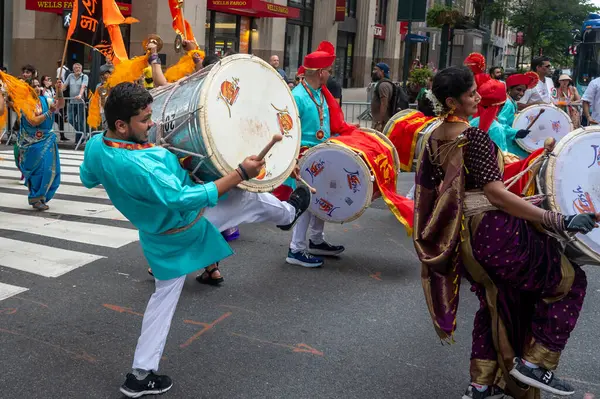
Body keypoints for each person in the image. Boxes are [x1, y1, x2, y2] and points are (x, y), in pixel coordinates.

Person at [79, 82, 310, 398]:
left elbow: (87, 178)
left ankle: (140, 375)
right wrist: (239, 173)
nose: (153, 124)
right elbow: (184, 198)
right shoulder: (141, 166)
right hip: (187, 224)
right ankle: (288, 215)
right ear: (121, 125)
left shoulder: (95, 146)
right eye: (145, 120)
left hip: (156, 237)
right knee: (247, 201)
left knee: (163, 299)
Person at [414, 66, 597, 399]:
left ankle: (482, 384)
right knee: (570, 281)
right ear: (452, 101)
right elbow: (495, 194)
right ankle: (535, 363)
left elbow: (439, 192)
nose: (478, 97)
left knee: (494, 301)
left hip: (463, 238)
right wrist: (556, 219)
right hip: (493, 232)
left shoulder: (432, 136)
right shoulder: (474, 136)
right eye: (471, 94)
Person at [285, 41, 347, 268]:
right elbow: (287, 130)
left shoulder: (320, 93)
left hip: (321, 154)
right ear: (321, 72)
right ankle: (296, 248)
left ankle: (316, 240)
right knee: (306, 202)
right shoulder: (298, 96)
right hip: (305, 157)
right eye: (329, 70)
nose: (330, 74)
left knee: (322, 197)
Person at [15, 75, 65, 210]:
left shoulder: (45, 99)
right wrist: (49, 112)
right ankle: (35, 198)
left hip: (47, 140)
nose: (37, 88)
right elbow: (33, 121)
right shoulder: (25, 103)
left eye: (38, 85)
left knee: (50, 170)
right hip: (32, 144)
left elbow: (60, 104)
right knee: (38, 172)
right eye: (34, 86)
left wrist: (59, 90)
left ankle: (42, 197)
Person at [470, 76, 531, 161]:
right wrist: (514, 133)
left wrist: (516, 132)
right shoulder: (497, 127)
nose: (521, 93)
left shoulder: (473, 121)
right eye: (518, 89)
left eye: (524, 91)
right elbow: (501, 159)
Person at [62, 63, 89, 143]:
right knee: (70, 119)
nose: (78, 69)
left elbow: (83, 87)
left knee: (80, 121)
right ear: (73, 69)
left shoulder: (84, 76)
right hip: (72, 102)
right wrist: (58, 91)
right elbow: (64, 86)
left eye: (79, 67)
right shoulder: (70, 76)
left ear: (81, 68)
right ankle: (82, 134)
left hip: (81, 102)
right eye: (76, 68)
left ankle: (79, 139)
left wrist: (80, 95)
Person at [370, 62, 394, 131]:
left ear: (382, 71)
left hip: (381, 123)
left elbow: (384, 103)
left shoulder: (383, 85)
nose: (373, 72)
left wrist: (380, 121)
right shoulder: (384, 84)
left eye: (375, 70)